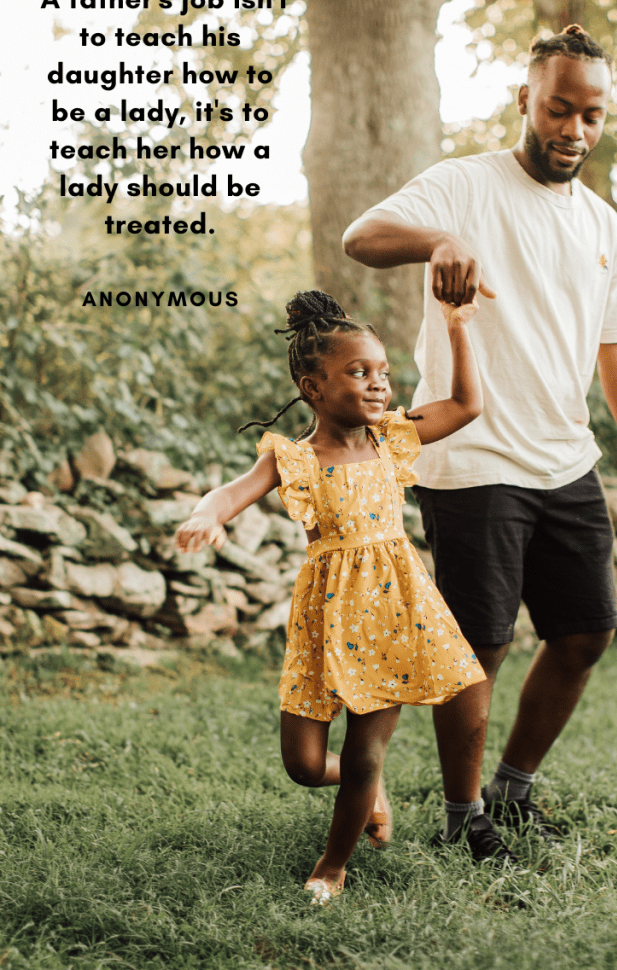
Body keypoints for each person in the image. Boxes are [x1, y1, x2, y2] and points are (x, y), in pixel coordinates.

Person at [342, 25, 617, 864]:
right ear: (523, 100)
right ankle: (463, 818)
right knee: (480, 644)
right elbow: (362, 238)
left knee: (585, 633)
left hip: (564, 456)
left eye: (591, 116)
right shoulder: (462, 185)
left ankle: (511, 789)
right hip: (470, 451)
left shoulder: (602, 222)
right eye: (559, 109)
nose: (573, 129)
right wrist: (439, 240)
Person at [175, 289, 487, 902]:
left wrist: (457, 325)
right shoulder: (293, 458)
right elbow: (229, 493)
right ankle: (365, 787)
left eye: (384, 373)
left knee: (366, 748)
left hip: (394, 611)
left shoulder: (392, 439)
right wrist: (207, 516)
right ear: (312, 386)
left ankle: (332, 867)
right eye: (358, 372)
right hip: (324, 618)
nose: (378, 385)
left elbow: (467, 404)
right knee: (305, 765)